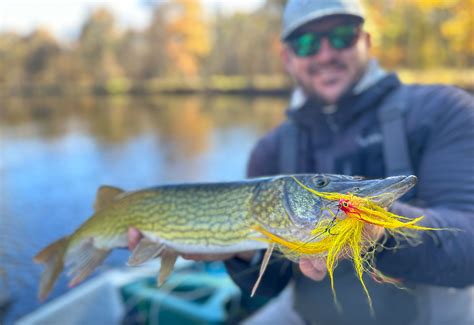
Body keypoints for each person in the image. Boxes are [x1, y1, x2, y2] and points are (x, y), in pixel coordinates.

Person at [129, 0, 474, 324]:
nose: (325, 54)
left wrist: (380, 233)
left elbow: (468, 246)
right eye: (306, 43)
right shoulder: (271, 150)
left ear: (366, 41)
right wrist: (239, 251)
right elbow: (269, 285)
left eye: (341, 36)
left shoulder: (442, 110)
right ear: (287, 58)